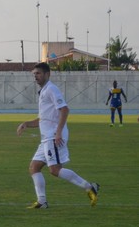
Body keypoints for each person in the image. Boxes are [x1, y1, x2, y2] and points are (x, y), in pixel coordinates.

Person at [16, 62, 99, 209]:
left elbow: (65, 110)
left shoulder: (51, 89)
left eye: (39, 73)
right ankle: (42, 202)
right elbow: (44, 118)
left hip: (53, 136)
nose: (36, 76)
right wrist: (27, 124)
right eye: (34, 74)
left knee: (54, 170)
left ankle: (89, 187)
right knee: (34, 167)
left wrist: (58, 132)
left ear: (48, 74)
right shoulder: (43, 91)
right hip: (46, 137)